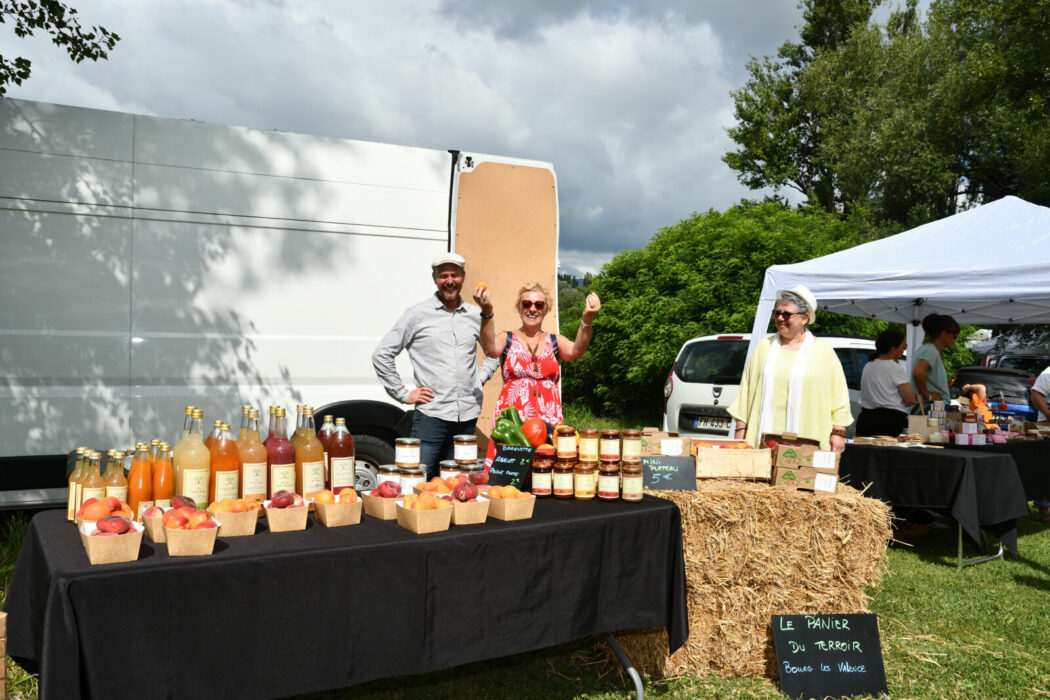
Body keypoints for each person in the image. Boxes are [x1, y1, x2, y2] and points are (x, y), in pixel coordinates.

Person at [372, 253, 498, 478]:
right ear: (435, 279)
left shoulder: (475, 314)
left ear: (463, 277)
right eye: (444, 276)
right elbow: (382, 355)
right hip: (432, 416)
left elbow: (494, 352)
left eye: (455, 275)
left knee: (459, 482)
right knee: (418, 480)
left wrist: (480, 377)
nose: (450, 281)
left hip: (467, 415)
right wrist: (403, 394)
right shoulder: (416, 315)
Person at [484, 282, 600, 464]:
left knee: (547, 472)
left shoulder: (555, 341)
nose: (532, 309)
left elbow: (577, 351)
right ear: (519, 307)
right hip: (514, 421)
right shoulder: (506, 338)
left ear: (546, 310)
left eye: (539, 305)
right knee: (510, 472)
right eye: (527, 304)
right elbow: (490, 349)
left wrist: (587, 319)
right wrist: (487, 312)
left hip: (548, 420)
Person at [729, 286, 852, 452]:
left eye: (786, 314)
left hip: (810, 442)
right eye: (777, 313)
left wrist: (838, 433)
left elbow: (840, 397)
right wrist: (740, 432)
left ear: (804, 318)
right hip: (761, 442)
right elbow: (745, 393)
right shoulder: (763, 348)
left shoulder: (823, 352)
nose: (780, 318)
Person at [856, 329, 916, 437]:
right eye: (903, 347)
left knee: (864, 452)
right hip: (888, 422)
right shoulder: (895, 368)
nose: (903, 350)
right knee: (884, 454)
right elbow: (910, 399)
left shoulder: (868, 365)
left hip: (865, 419)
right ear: (893, 349)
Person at [910, 313, 959, 408]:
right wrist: (928, 396)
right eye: (955, 336)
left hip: (932, 407)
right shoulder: (930, 350)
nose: (954, 340)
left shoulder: (929, 349)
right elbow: (917, 372)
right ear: (944, 334)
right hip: (931, 408)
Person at [1030, 365, 1050, 523]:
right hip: (1047, 426)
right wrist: (1049, 414)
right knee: (1046, 468)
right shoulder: (1048, 373)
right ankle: (1044, 511)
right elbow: (1035, 395)